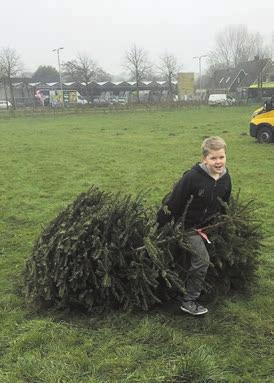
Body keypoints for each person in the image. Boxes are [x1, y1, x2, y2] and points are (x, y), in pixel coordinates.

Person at [157, 136, 232, 316]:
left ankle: (193, 284)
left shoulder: (225, 178)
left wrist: (221, 223)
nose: (218, 162)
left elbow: (225, 202)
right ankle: (189, 300)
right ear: (204, 159)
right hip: (186, 226)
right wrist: (161, 226)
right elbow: (173, 202)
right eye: (213, 158)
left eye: (221, 157)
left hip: (207, 226)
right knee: (202, 260)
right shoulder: (192, 177)